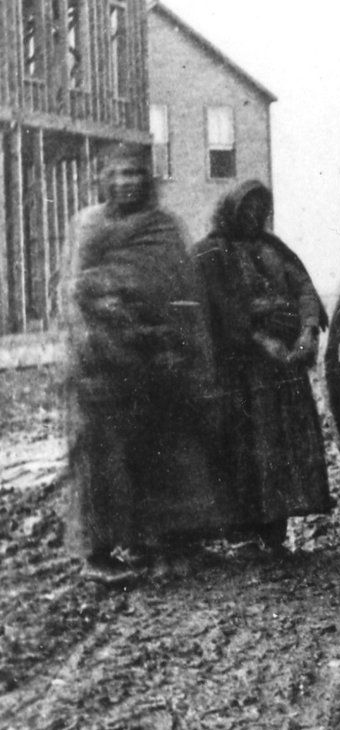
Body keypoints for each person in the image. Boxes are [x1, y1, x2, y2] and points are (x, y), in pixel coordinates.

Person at [59, 145, 225, 583]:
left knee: (162, 451)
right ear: (104, 179)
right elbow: (74, 290)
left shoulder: (165, 227)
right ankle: (96, 557)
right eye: (118, 174)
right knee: (100, 458)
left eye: (136, 174)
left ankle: (159, 544)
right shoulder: (88, 224)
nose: (127, 182)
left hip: (158, 358)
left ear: (148, 180)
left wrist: (176, 343)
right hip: (103, 358)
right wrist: (105, 326)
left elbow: (183, 290)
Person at [193, 181, 331, 555]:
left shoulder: (274, 249)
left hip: (282, 370)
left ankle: (274, 531)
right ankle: (240, 534)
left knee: (279, 446)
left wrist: (306, 332)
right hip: (238, 372)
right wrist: (258, 337)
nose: (253, 216)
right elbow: (219, 311)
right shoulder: (209, 254)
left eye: (260, 209)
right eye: (246, 209)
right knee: (242, 448)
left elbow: (303, 289)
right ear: (230, 210)